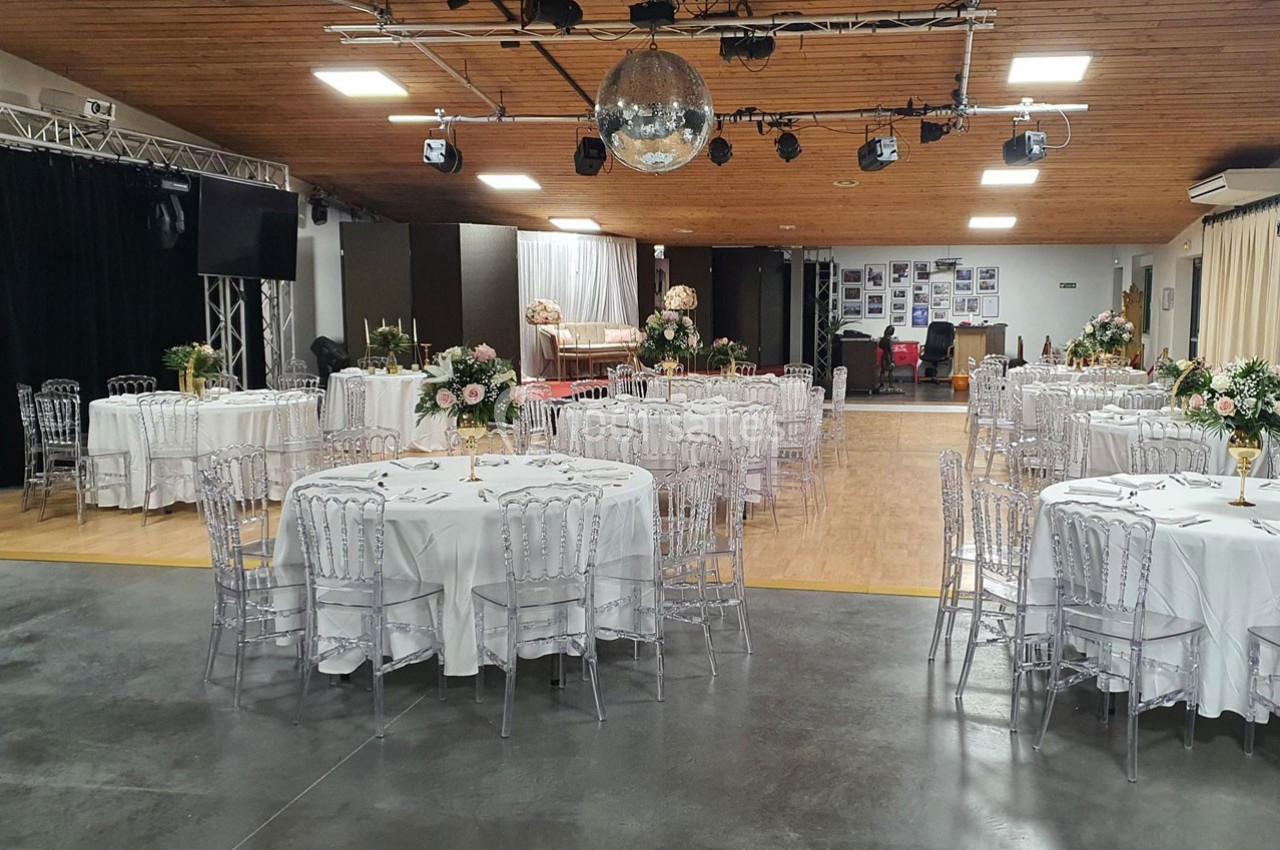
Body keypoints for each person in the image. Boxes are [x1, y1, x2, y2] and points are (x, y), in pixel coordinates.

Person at [877, 325, 896, 390]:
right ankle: (891, 385)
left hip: (884, 356)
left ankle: (881, 384)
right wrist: (892, 360)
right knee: (890, 371)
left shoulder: (882, 339)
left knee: (882, 371)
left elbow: (880, 346)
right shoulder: (889, 340)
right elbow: (890, 351)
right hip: (889, 357)